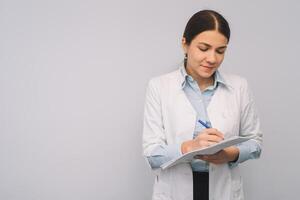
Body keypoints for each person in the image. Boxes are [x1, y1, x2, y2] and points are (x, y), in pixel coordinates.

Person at [142, 10, 263, 200]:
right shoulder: (159, 87)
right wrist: (190, 147)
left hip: (224, 188)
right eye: (204, 48)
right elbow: (152, 154)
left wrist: (230, 154)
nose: (212, 59)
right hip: (175, 189)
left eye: (220, 51)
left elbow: (255, 142)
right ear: (185, 44)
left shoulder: (240, 86)